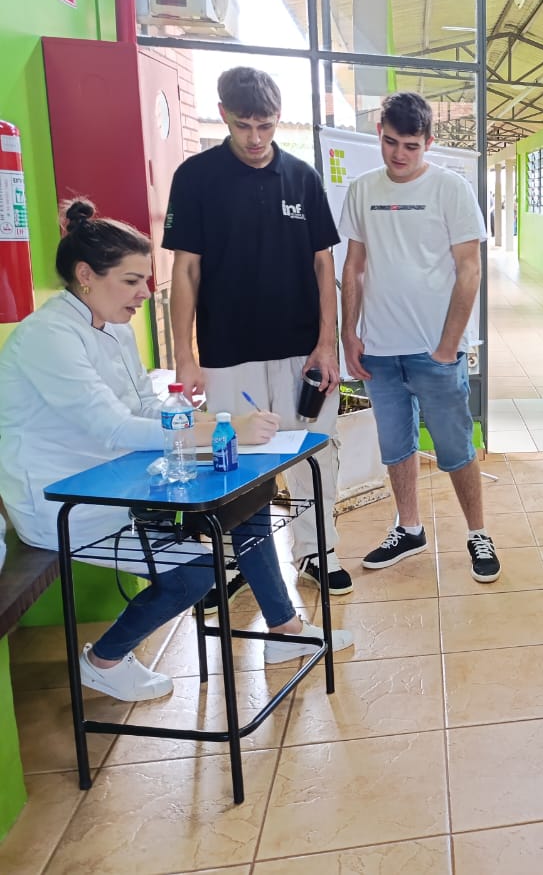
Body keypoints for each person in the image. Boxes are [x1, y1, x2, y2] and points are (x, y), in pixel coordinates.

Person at [0, 200, 354, 703]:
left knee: (247, 495)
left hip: (118, 478)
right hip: (65, 500)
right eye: (132, 281)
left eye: (146, 280)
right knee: (195, 574)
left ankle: (284, 632)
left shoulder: (111, 327)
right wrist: (217, 432)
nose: (146, 293)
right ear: (85, 275)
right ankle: (102, 661)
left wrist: (208, 422)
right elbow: (111, 428)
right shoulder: (50, 337)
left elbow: (145, 406)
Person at [163, 67, 353, 611]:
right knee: (234, 461)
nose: (255, 138)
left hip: (301, 351)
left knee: (314, 453)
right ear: (223, 114)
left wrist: (327, 344)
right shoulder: (196, 177)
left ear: (277, 119)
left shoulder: (302, 178)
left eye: (265, 126)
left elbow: (324, 266)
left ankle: (318, 552)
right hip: (228, 351)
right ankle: (239, 560)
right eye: (244, 125)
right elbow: (186, 271)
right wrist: (185, 357)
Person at [339, 92, 499, 580]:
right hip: (379, 352)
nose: (399, 154)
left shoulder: (450, 188)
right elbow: (354, 266)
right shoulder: (362, 189)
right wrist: (349, 332)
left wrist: (449, 345)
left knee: (456, 449)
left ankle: (478, 533)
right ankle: (408, 528)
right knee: (396, 447)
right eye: (391, 142)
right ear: (379, 134)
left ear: (429, 142)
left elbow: (469, 269)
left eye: (411, 145)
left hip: (436, 352)